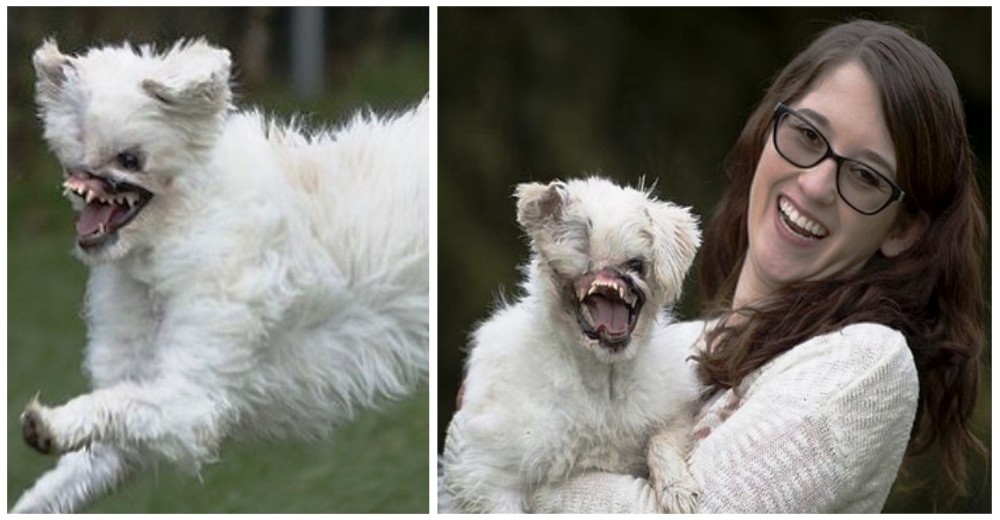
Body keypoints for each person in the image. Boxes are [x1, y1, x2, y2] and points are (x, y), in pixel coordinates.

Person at [521, 19, 987, 513]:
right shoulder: (667, 345)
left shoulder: (865, 367)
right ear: (769, 130)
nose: (814, 185)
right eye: (808, 134)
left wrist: (506, 475)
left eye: (865, 176)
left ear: (902, 228)